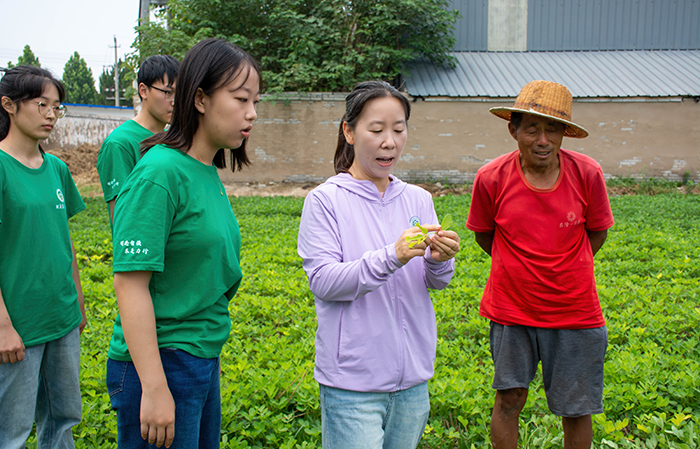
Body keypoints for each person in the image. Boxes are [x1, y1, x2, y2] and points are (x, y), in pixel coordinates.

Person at [105, 38, 260, 449]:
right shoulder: (159, 173)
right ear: (201, 99)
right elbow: (130, 283)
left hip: (199, 355)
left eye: (255, 100)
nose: (252, 113)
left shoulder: (204, 170)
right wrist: (154, 387)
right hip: (162, 361)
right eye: (241, 98)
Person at [297, 81, 461, 449]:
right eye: (377, 129)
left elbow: (433, 282)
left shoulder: (418, 198)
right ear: (349, 131)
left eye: (399, 129)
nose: (390, 141)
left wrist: (439, 261)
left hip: (413, 382)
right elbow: (324, 281)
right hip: (352, 385)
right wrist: (393, 256)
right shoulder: (325, 201)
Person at [466, 80, 614, 449]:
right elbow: (485, 235)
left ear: (565, 134)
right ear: (513, 129)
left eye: (553, 129)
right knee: (509, 399)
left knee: (576, 409)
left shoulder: (588, 173)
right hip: (511, 310)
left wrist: (564, 267)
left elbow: (597, 233)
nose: (543, 139)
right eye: (532, 128)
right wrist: (520, 268)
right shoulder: (491, 178)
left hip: (576, 311)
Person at [0, 65, 87, 448]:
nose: (51, 114)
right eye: (41, 104)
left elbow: (63, 241)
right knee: (12, 431)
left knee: (63, 419)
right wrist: (3, 325)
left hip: (62, 317)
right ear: (9, 105)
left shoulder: (57, 169)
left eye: (57, 107)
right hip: (19, 323)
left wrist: (78, 302)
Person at [97, 54, 180, 221]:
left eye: (179, 94)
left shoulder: (172, 138)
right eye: (168, 92)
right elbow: (123, 217)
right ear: (143, 90)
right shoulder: (119, 143)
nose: (174, 101)